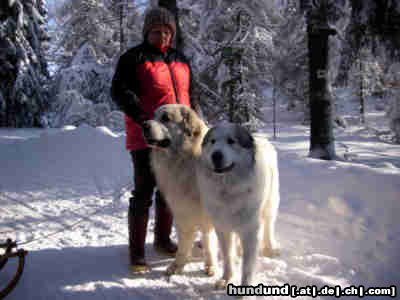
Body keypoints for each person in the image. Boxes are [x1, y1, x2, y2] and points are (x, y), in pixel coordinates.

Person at [111, 7, 201, 273]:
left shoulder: (181, 59)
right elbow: (119, 91)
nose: (162, 36)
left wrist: (196, 123)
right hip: (146, 138)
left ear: (172, 33)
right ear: (146, 32)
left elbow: (190, 94)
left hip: (178, 141)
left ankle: (162, 241)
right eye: (156, 31)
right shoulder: (133, 58)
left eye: (166, 31)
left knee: (169, 191)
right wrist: (141, 117)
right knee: (143, 192)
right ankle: (137, 253)